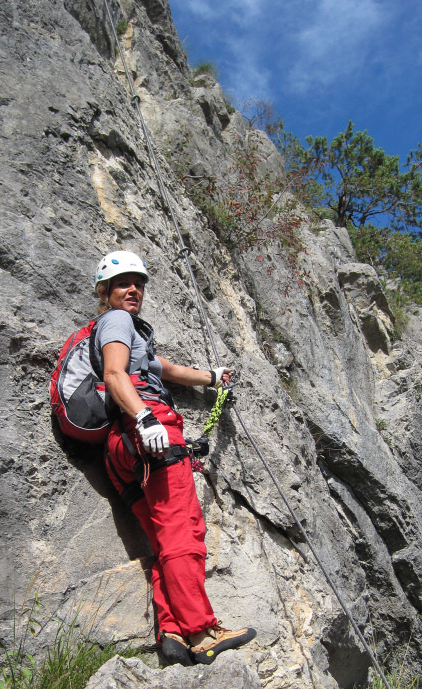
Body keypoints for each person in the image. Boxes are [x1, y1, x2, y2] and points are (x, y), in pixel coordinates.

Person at [93, 250, 256, 666]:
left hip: (120, 448)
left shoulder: (126, 331)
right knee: (183, 531)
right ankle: (201, 631)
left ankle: (171, 633)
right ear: (105, 291)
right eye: (123, 283)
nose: (134, 289)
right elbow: (115, 374)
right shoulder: (117, 321)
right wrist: (145, 417)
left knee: (164, 540)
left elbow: (159, 367)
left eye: (139, 283)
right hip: (148, 431)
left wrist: (209, 377)